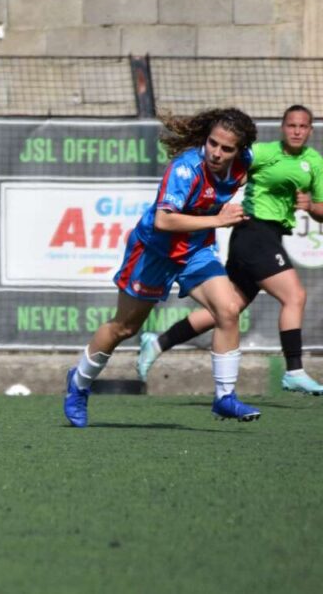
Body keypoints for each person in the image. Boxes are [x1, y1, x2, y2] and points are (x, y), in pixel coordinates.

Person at [64, 107, 260, 427]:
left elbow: (275, 159)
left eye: (226, 148)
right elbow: (163, 219)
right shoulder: (185, 169)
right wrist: (219, 219)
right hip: (154, 251)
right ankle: (78, 384)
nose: (217, 152)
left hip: (195, 249)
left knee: (227, 310)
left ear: (240, 150)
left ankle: (225, 397)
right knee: (125, 329)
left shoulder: (246, 161)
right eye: (213, 143)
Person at [136, 105, 323, 395]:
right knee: (295, 295)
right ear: (282, 127)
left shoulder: (314, 162)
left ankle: (157, 342)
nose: (296, 131)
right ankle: (294, 370)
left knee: (228, 309)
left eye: (302, 126)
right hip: (253, 232)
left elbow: (321, 209)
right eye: (291, 125)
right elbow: (226, 165)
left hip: (272, 236)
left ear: (311, 130)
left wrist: (310, 206)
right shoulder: (263, 153)